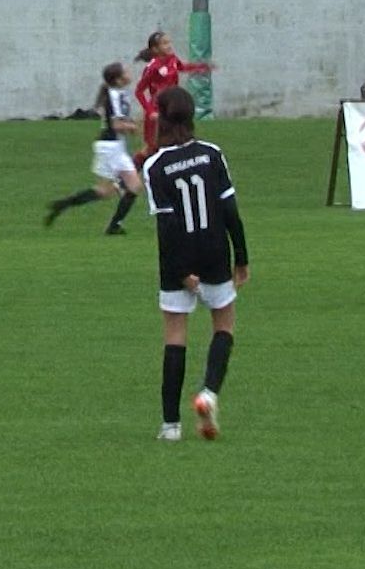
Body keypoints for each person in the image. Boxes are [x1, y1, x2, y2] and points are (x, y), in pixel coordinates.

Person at [143, 87, 249, 442]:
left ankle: (170, 425)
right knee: (225, 324)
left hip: (178, 258)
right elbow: (230, 211)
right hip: (215, 252)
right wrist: (242, 258)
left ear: (160, 117)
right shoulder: (212, 154)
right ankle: (208, 393)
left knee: (175, 335)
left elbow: (167, 226)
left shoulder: (155, 166)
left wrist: (180, 271)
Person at [44, 62, 143, 234]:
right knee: (122, 188)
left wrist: (134, 125)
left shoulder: (119, 93)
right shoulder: (115, 96)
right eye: (125, 72)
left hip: (114, 146)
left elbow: (120, 123)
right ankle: (113, 225)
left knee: (119, 189)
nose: (130, 73)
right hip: (110, 147)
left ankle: (66, 205)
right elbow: (117, 125)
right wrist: (133, 127)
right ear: (119, 80)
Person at [133, 31, 212, 168]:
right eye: (164, 43)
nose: (169, 46)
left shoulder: (173, 59)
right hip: (158, 111)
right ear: (155, 49)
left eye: (169, 42)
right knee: (151, 148)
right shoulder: (152, 67)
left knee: (176, 140)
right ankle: (126, 175)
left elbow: (182, 67)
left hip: (172, 108)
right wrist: (150, 111)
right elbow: (139, 91)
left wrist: (200, 67)